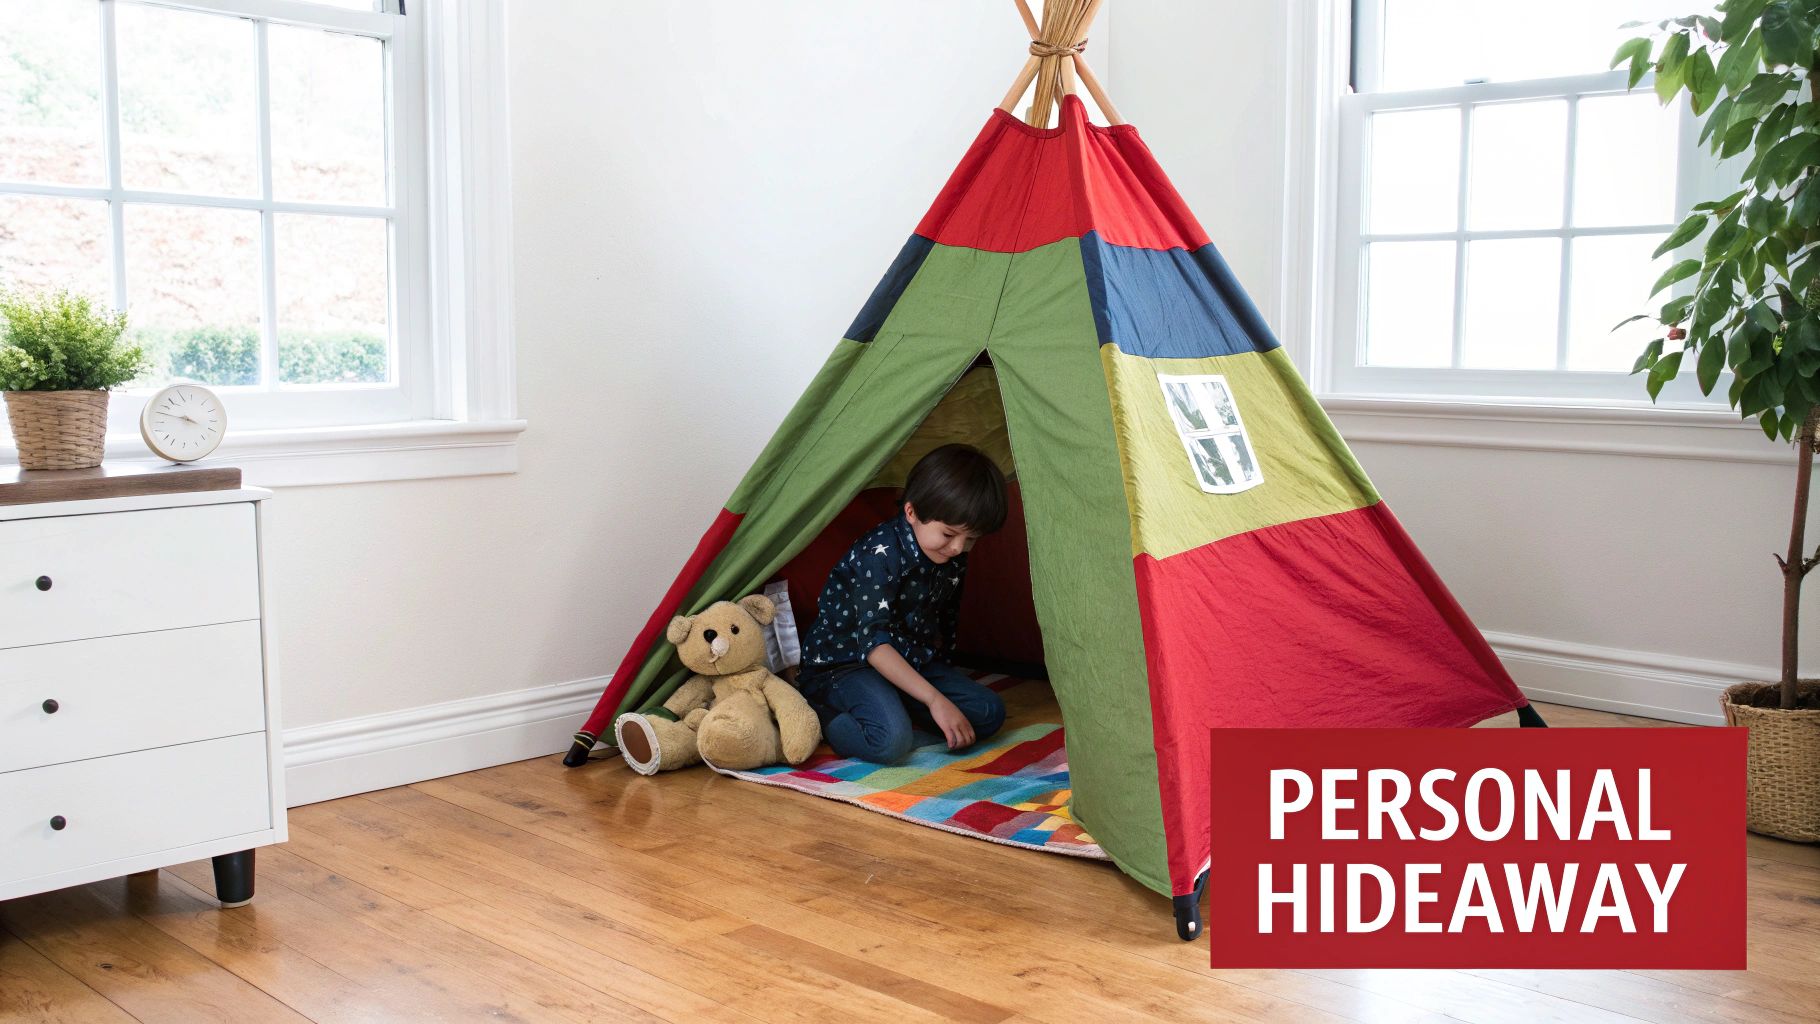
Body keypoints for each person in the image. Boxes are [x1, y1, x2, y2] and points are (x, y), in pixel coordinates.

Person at [797, 443, 1009, 763]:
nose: (957, 548)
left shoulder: (951, 557)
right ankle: (822, 713)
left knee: (989, 712)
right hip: (846, 664)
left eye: (971, 539)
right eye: (948, 534)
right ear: (912, 512)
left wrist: (940, 682)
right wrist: (934, 700)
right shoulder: (879, 555)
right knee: (890, 742)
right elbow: (874, 645)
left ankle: (896, 700)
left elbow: (945, 618)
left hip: (909, 657)